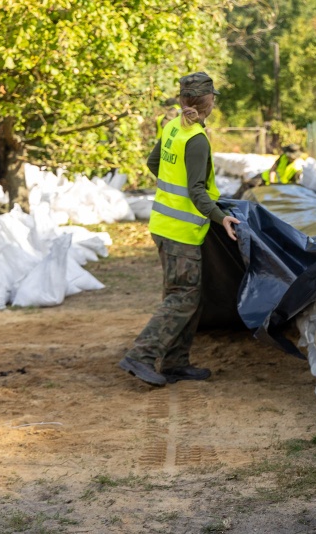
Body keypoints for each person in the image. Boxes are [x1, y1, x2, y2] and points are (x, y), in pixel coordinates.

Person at [119, 72, 241, 386]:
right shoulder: (196, 139)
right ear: (207, 101)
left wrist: (173, 187)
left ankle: (175, 362)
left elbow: (153, 161)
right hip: (180, 231)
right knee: (182, 298)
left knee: (186, 295)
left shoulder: (174, 126)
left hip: (164, 225)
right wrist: (220, 217)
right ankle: (142, 355)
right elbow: (197, 191)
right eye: (213, 96)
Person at [233, 144, 303, 198]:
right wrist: (271, 181)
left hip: (278, 187)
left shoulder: (297, 169)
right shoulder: (283, 157)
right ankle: (233, 201)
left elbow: (293, 187)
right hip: (266, 178)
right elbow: (273, 169)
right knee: (247, 185)